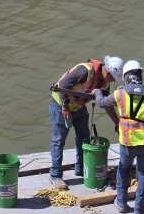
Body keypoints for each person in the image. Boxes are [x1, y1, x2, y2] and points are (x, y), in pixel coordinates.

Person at [94, 60, 144, 214]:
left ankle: (122, 203)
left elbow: (101, 103)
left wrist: (97, 92)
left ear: (126, 77)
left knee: (123, 169)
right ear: (140, 75)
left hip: (127, 142)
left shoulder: (120, 94)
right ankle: (139, 210)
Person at [49, 56, 124, 190]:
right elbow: (63, 85)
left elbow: (107, 105)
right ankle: (55, 175)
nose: (112, 81)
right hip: (61, 105)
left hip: (78, 106)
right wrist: (65, 107)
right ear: (107, 73)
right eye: (112, 78)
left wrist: (117, 123)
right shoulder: (85, 71)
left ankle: (81, 168)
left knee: (84, 138)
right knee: (58, 140)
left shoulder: (105, 84)